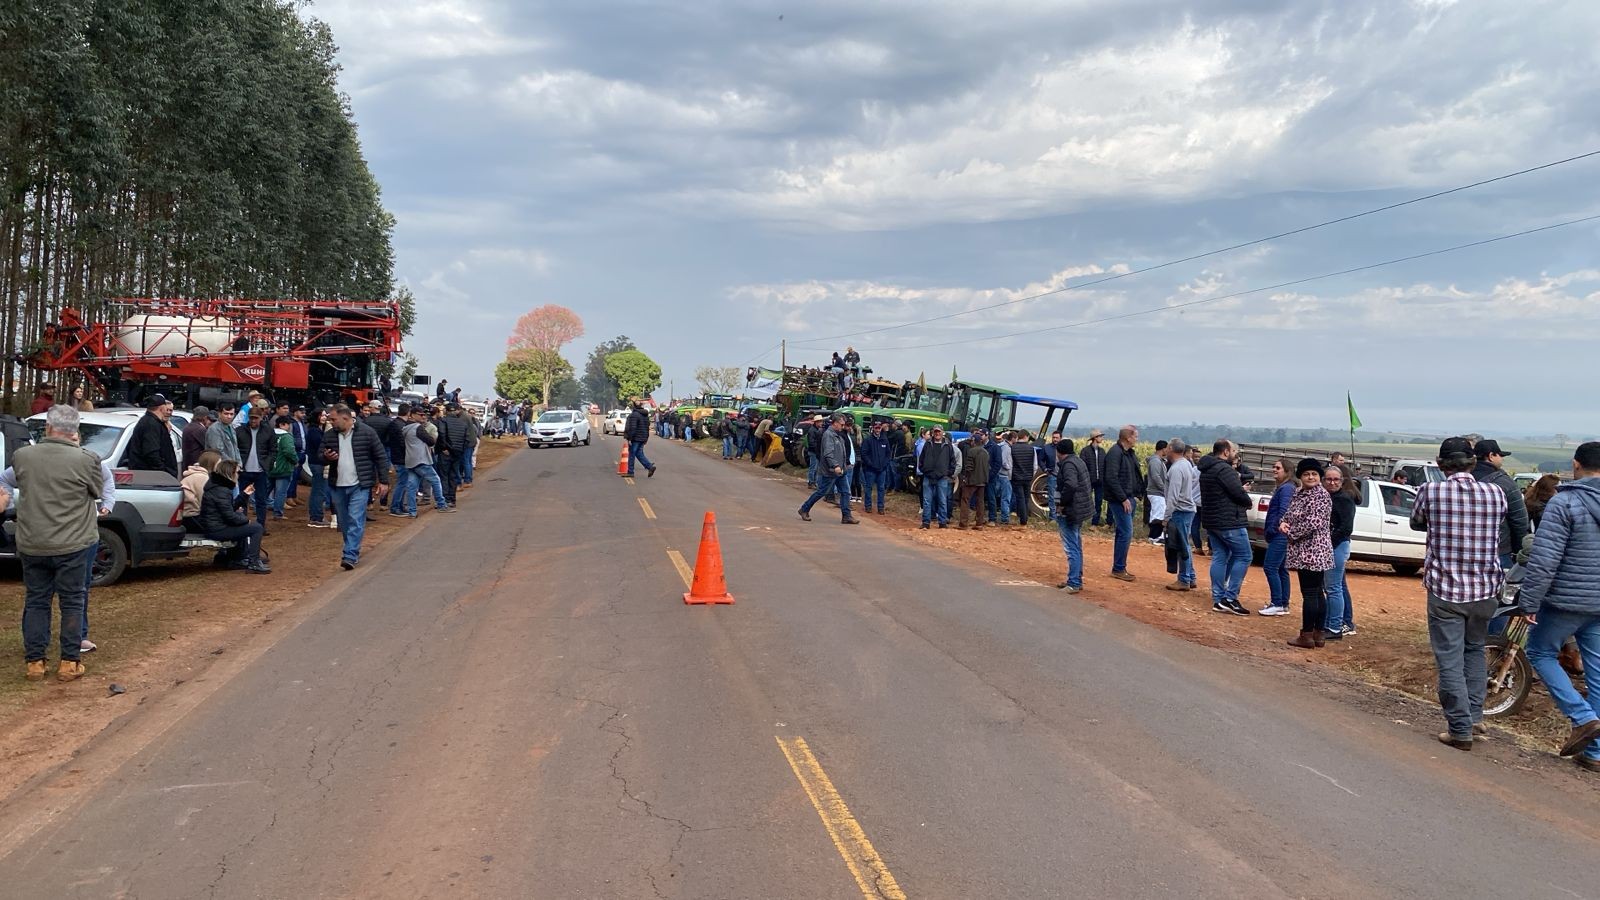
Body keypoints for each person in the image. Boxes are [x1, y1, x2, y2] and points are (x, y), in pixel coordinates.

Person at [1410, 437, 1506, 751]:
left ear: (1440, 465)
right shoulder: (1495, 492)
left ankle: (1460, 727)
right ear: (1473, 462)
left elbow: (1416, 522)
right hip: (1485, 589)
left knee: (1449, 659)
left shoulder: (1431, 491)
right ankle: (1475, 716)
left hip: (1446, 590)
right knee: (1474, 650)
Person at [1, 405, 102, 681]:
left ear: (47, 427)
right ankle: (69, 661)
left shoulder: (22, 456)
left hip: (33, 541)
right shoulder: (87, 459)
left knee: (36, 600)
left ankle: (35, 661)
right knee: (72, 600)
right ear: (75, 430)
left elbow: (14, 481)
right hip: (73, 542)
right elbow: (96, 491)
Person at [1516, 442, 1600, 771]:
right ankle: (1594, 753)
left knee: (1538, 651)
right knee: (1597, 673)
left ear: (1576, 464)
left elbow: (1545, 560)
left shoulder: (1564, 502)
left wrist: (1529, 601)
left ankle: (1582, 718)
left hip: (1566, 599)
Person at [320, 404, 391, 570]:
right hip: (337, 485)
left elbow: (380, 457)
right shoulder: (330, 435)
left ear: (345, 418)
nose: (330, 422)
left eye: (333, 419)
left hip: (360, 484)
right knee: (344, 522)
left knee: (355, 519)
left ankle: (350, 554)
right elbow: (319, 456)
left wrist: (384, 481)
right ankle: (351, 547)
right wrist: (326, 457)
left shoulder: (367, 432)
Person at [1281, 459, 1334, 648]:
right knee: (1316, 592)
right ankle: (1317, 634)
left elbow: (1313, 522)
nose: (1310, 477)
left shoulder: (1320, 495)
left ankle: (1308, 634)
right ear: (1300, 476)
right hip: (1303, 550)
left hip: (1313, 551)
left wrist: (1291, 532)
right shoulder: (1300, 493)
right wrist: (1283, 523)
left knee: (1311, 593)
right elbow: (1290, 514)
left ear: (1319, 477)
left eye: (1314, 474)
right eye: (1306, 474)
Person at [1198, 440, 1252, 615]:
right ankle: (1230, 598)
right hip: (1229, 521)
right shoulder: (1225, 470)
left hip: (1212, 521)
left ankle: (1218, 599)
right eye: (1234, 450)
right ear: (1226, 452)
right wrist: (1247, 501)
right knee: (1244, 556)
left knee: (1220, 557)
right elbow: (1237, 493)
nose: (1236, 453)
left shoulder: (1206, 469)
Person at [196, 459, 269, 574]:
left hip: (213, 526)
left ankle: (237, 558)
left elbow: (227, 509)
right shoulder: (222, 490)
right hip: (216, 529)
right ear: (230, 473)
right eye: (237, 472)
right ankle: (254, 562)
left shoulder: (217, 487)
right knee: (257, 528)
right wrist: (246, 520)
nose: (239, 475)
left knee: (242, 522)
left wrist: (243, 495)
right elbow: (230, 516)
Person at [1473, 439, 1531, 569]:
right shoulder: (1505, 483)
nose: (1502, 459)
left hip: (1464, 551)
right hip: (1498, 551)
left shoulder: (1465, 478)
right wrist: (1518, 550)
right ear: (1491, 456)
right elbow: (1519, 520)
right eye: (1500, 455)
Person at [798, 414, 858, 525]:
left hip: (841, 471)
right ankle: (804, 509)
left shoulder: (838, 435)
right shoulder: (828, 435)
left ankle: (846, 516)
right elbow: (828, 453)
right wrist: (835, 466)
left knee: (845, 492)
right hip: (830, 471)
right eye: (841, 424)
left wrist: (843, 466)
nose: (843, 426)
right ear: (835, 423)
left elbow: (842, 453)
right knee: (821, 492)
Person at [1322, 464, 1359, 639]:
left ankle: (1335, 626)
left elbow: (1346, 528)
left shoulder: (1344, 499)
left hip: (1337, 546)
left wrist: (1328, 543)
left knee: (1334, 588)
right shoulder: (1325, 497)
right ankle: (1329, 622)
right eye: (1329, 479)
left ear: (1342, 481)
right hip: (1328, 546)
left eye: (1336, 479)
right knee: (1331, 587)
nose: (1332, 482)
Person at [392, 405, 450, 517]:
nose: (423, 416)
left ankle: (412, 511)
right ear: (412, 415)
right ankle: (441, 504)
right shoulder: (417, 427)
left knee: (411, 486)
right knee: (435, 480)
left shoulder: (405, 428)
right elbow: (431, 441)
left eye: (424, 414)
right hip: (421, 460)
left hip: (410, 460)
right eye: (421, 414)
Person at [1258, 458, 1296, 615]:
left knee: (1270, 567)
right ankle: (1283, 603)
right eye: (1273, 467)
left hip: (1280, 534)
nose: (1274, 469)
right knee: (1281, 568)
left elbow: (1284, 510)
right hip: (1281, 534)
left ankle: (1277, 602)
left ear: (1287, 471)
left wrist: (1274, 528)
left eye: (1278, 468)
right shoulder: (1285, 487)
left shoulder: (1286, 488)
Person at [1055, 438, 1093, 593]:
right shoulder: (1078, 461)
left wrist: (1062, 503)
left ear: (1059, 452)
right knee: (1076, 544)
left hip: (1070, 510)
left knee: (1071, 547)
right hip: (1080, 509)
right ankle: (1076, 578)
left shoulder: (1068, 465)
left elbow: (1070, 485)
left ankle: (1074, 582)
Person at [1104, 425, 1140, 579]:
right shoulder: (1115, 453)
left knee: (1122, 532)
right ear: (1128, 437)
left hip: (1129, 498)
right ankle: (1119, 568)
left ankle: (1118, 567)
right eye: (1135, 436)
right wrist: (1123, 498)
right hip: (1120, 500)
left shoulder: (1128, 453)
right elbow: (1111, 478)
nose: (1137, 439)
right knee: (1126, 532)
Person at [1163, 440, 1198, 592]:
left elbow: (1173, 495)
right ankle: (1190, 576)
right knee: (1185, 545)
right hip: (1188, 509)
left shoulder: (1176, 468)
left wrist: (1166, 516)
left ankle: (1184, 579)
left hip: (1180, 510)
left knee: (1181, 546)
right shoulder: (1187, 464)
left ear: (1171, 449)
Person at [236, 402, 277, 528]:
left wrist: (268, 464)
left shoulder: (268, 431)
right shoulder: (239, 431)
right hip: (244, 471)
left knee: (261, 500)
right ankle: (242, 523)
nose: (253, 420)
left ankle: (260, 526)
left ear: (261, 417)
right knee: (242, 499)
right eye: (251, 417)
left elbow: (274, 450)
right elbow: (235, 449)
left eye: (256, 418)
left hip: (260, 471)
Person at [122, 394, 179, 476]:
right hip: (152, 476)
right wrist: (163, 472)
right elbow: (151, 452)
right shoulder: (151, 424)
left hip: (151, 474)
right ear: (161, 408)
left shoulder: (151, 422)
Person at [918, 426, 955, 529]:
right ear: (933, 432)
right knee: (926, 501)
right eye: (935, 431)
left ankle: (942, 523)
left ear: (942, 432)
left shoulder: (948, 445)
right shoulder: (928, 444)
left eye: (939, 431)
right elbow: (921, 459)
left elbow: (952, 461)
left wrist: (948, 473)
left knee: (942, 500)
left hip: (942, 477)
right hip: (928, 476)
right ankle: (926, 522)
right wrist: (924, 470)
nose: (937, 433)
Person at [180, 449, 223, 531]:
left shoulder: (198, 475)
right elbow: (205, 503)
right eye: (219, 464)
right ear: (211, 464)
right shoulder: (201, 478)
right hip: (193, 519)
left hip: (190, 517)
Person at [956, 430, 990, 529]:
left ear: (974, 441)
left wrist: (965, 478)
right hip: (982, 481)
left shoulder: (972, 451)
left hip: (972, 480)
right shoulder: (986, 452)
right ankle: (979, 523)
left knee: (965, 500)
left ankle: (963, 523)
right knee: (980, 502)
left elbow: (969, 467)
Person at [860, 421, 893, 515]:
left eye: (879, 428)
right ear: (873, 428)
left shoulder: (884, 439)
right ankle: (868, 506)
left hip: (882, 469)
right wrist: (870, 464)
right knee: (868, 488)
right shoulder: (868, 440)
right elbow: (864, 453)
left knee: (881, 489)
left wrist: (885, 464)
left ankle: (881, 507)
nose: (878, 430)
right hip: (870, 469)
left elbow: (888, 453)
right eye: (876, 428)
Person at [1079, 430, 1108, 526]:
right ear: (1095, 438)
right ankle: (1081, 520)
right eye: (1100, 436)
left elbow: (1105, 466)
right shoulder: (1085, 451)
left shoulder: (1102, 451)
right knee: (1085, 500)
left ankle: (1095, 523)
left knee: (1098, 501)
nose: (1102, 438)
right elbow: (1082, 466)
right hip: (1089, 481)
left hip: (1100, 481)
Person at [623, 399, 657, 477]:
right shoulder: (645, 415)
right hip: (643, 437)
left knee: (632, 454)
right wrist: (646, 438)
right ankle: (650, 467)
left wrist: (630, 438)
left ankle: (630, 472)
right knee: (639, 453)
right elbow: (647, 427)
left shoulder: (634, 415)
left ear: (634, 406)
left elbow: (633, 428)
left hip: (635, 438)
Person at [1145, 440, 1168, 545]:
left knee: (1157, 513)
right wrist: (1164, 488)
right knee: (1158, 514)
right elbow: (1155, 476)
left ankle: (1155, 536)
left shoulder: (1159, 460)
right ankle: (1156, 536)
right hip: (1156, 492)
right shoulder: (1155, 461)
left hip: (1156, 492)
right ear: (1163, 449)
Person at [205, 403, 241, 468]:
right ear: (219, 414)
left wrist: (239, 464)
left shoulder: (231, 427)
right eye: (226, 414)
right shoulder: (214, 429)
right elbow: (218, 451)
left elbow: (236, 448)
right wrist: (233, 464)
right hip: (219, 468)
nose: (229, 416)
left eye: (231, 414)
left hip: (231, 467)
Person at [179, 406, 212, 470]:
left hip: (187, 463)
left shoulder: (188, 427)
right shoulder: (199, 429)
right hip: (195, 465)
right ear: (205, 417)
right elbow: (207, 447)